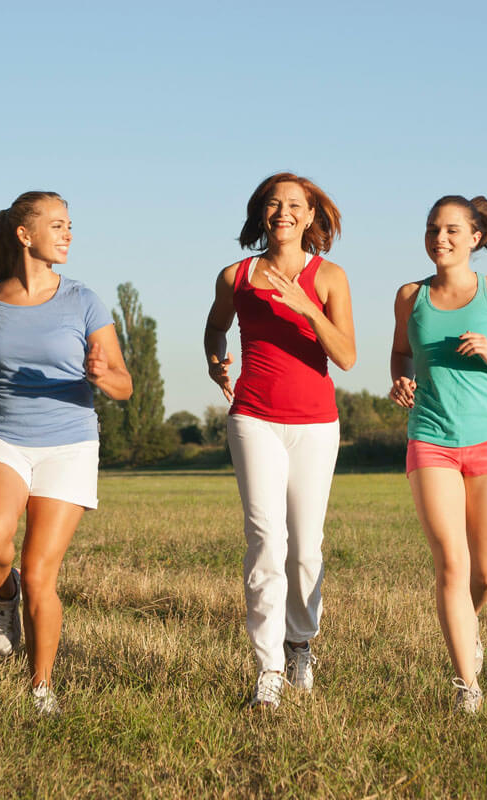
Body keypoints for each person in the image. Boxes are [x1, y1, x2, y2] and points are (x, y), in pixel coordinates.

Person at [0, 191, 132, 716]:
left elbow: (124, 384)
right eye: (57, 224)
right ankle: (7, 595)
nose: (68, 233)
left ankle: (40, 689)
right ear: (25, 234)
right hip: (1, 435)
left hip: (69, 443)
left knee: (42, 572)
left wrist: (101, 375)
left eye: (70, 224)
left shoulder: (83, 300)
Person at [389, 195, 487, 714]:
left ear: (476, 238)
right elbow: (400, 351)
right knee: (452, 567)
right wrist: (400, 378)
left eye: (453, 230)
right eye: (433, 229)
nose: (441, 238)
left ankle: (467, 628)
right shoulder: (409, 295)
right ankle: (467, 686)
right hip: (430, 439)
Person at [204, 172, 356, 709]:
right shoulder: (236, 274)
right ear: (261, 214)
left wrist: (307, 307)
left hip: (315, 424)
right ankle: (268, 667)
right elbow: (215, 326)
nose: (283, 212)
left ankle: (300, 643)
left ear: (311, 217)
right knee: (266, 541)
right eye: (274, 203)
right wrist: (215, 360)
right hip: (253, 417)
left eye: (295, 205)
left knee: (306, 547)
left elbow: (347, 356)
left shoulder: (330, 276)